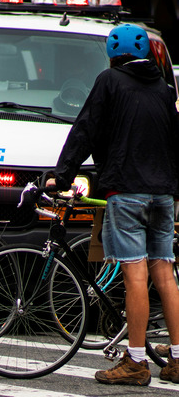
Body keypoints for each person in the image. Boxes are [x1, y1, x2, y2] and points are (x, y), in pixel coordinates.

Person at [49, 24, 179, 386]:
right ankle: (178, 359)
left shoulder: (109, 81)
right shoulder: (164, 89)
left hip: (127, 191)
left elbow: (85, 129)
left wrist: (61, 177)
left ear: (113, 52)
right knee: (165, 273)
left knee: (135, 275)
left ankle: (136, 361)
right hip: (164, 195)